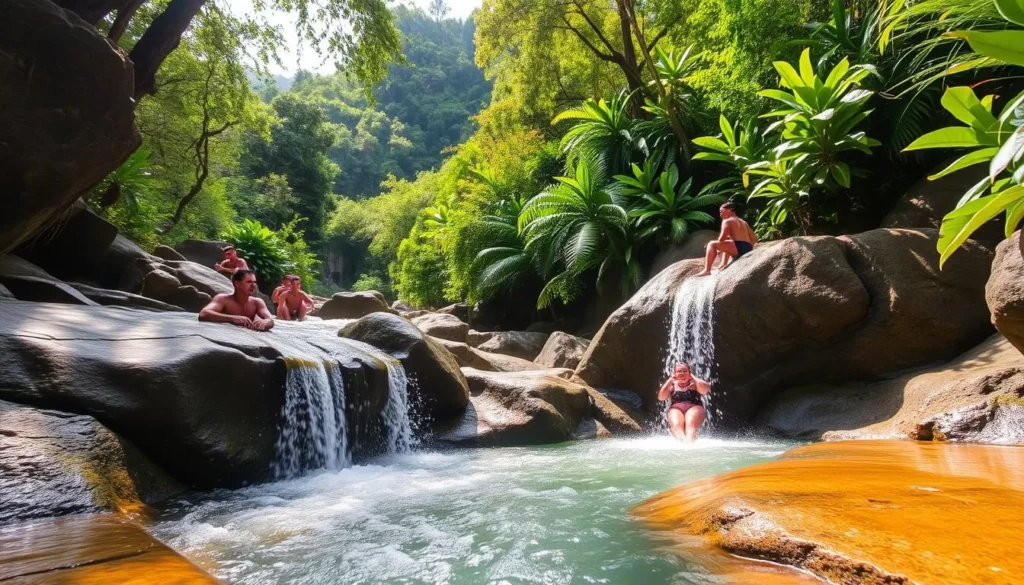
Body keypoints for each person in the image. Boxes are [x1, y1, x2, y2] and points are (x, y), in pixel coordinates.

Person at [198, 269, 275, 331]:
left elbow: (270, 319)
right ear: (237, 284)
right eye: (249, 282)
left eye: (254, 282)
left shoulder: (257, 302)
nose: (254, 285)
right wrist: (233, 318)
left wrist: (266, 322)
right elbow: (204, 314)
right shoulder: (223, 299)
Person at [698, 202, 757, 276]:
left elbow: (722, 238)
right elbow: (754, 238)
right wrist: (747, 246)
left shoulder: (726, 221)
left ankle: (707, 270)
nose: (720, 215)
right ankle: (723, 264)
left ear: (730, 210)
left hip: (739, 248)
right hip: (748, 247)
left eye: (721, 212)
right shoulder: (743, 222)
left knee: (711, 244)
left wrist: (719, 248)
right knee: (729, 242)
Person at [657, 362, 711, 442]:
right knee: (676, 425)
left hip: (694, 407)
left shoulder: (695, 383)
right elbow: (661, 397)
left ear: (690, 372)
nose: (682, 373)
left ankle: (689, 444)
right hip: (676, 408)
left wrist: (692, 376)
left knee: (691, 422)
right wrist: (671, 379)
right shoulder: (672, 385)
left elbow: (705, 390)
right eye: (679, 371)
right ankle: (681, 444)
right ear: (674, 373)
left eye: (685, 371)